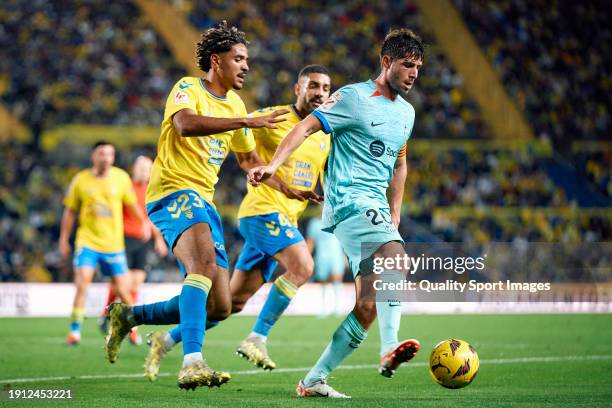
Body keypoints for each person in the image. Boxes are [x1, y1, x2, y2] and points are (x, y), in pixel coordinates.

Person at [103, 21, 310, 391]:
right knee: (201, 265)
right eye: (239, 59)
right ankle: (192, 363)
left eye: (247, 60)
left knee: (221, 306)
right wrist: (244, 120)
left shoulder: (235, 103)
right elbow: (183, 125)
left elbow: (248, 161)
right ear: (217, 61)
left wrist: (286, 187)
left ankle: (129, 315)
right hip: (172, 192)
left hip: (203, 202)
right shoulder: (188, 88)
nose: (246, 66)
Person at [248, 28, 424, 398]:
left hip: (375, 207)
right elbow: (306, 127)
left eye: (419, 67)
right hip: (348, 200)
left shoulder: (407, 113)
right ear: (387, 62)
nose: (413, 73)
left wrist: (395, 215)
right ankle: (387, 348)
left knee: (367, 305)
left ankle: (312, 381)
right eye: (407, 65)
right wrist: (274, 164)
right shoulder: (352, 97)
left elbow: (400, 165)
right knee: (396, 258)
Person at [143, 65, 330, 380]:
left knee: (229, 304)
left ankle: (167, 338)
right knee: (303, 266)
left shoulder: (325, 134)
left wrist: (296, 191)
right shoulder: (273, 118)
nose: (320, 93)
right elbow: (237, 141)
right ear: (298, 88)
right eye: (313, 86)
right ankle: (256, 339)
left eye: (325, 88)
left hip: (287, 217)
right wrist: (235, 132)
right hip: (262, 212)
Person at [59, 141, 148, 346]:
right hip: (87, 241)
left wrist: (144, 222)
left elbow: (131, 203)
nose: (106, 158)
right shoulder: (80, 180)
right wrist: (64, 239)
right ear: (93, 156)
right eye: (102, 154)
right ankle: (75, 332)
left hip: (113, 244)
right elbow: (70, 211)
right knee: (83, 282)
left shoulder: (121, 178)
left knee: (125, 291)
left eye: (110, 154)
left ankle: (133, 329)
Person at [98, 156, 169, 345]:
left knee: (134, 285)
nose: (144, 171)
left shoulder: (153, 191)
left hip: (143, 242)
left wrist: (158, 239)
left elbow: (153, 218)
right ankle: (125, 323)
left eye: (147, 168)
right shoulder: (124, 186)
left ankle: (111, 315)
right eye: (141, 167)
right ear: (134, 168)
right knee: (122, 284)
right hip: (123, 239)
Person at [306, 215, 346, 317]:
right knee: (323, 280)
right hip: (321, 255)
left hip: (336, 255)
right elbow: (311, 242)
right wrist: (306, 257)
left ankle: (338, 307)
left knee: (337, 278)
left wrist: (346, 255)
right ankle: (324, 308)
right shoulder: (314, 223)